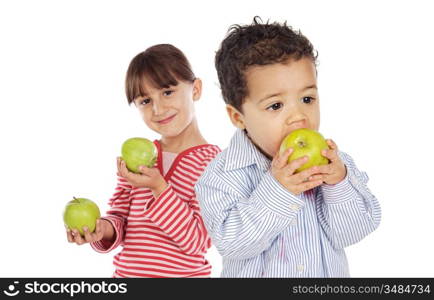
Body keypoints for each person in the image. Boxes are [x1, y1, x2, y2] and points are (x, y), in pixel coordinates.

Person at [195, 17, 381, 277]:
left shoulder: (334, 165)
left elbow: (353, 232)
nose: (299, 117)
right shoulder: (221, 176)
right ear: (238, 117)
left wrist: (338, 185)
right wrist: (278, 190)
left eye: (307, 99)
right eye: (275, 105)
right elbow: (232, 243)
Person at [66, 44, 221, 278]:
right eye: (145, 101)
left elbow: (196, 241)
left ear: (196, 89)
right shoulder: (135, 159)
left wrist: (159, 188)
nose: (158, 109)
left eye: (167, 92)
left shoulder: (217, 165)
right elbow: (119, 218)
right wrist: (101, 230)